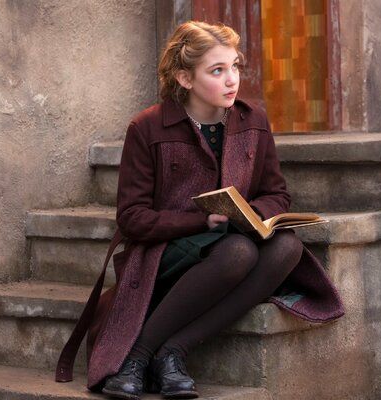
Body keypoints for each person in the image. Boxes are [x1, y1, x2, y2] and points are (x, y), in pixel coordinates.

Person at [67, 20, 344, 400]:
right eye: (217, 70)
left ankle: (171, 351)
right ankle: (135, 356)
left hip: (232, 239)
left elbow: (277, 193)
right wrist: (201, 221)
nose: (232, 79)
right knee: (238, 252)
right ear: (184, 77)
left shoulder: (253, 120)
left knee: (288, 248)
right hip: (164, 251)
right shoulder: (147, 128)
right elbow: (132, 218)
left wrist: (251, 213)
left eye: (235, 66)